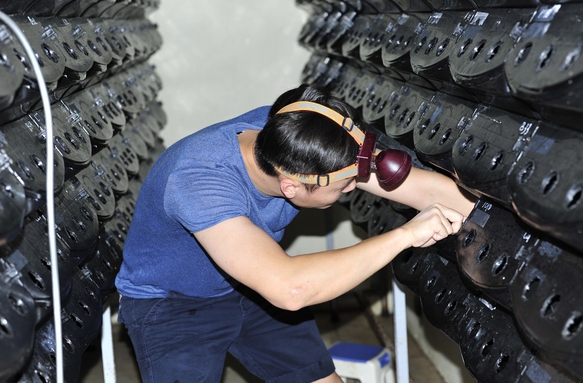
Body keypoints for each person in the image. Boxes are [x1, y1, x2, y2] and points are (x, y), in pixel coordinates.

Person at [115, 84, 476, 383]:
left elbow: (426, 190)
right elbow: (291, 289)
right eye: (343, 186)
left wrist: (504, 221)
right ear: (291, 187)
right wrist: (405, 235)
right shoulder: (197, 181)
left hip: (248, 286)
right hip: (172, 304)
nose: (353, 189)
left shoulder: (297, 134)